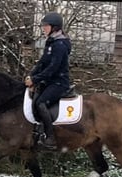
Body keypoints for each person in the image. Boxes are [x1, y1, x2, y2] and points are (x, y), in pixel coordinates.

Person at [25, 12, 72, 149]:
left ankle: (50, 138)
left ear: (55, 27)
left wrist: (35, 79)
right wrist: (31, 75)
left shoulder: (60, 45)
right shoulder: (51, 43)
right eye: (43, 26)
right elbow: (42, 63)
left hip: (59, 83)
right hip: (49, 82)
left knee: (40, 103)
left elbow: (53, 68)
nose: (43, 28)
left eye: (46, 26)